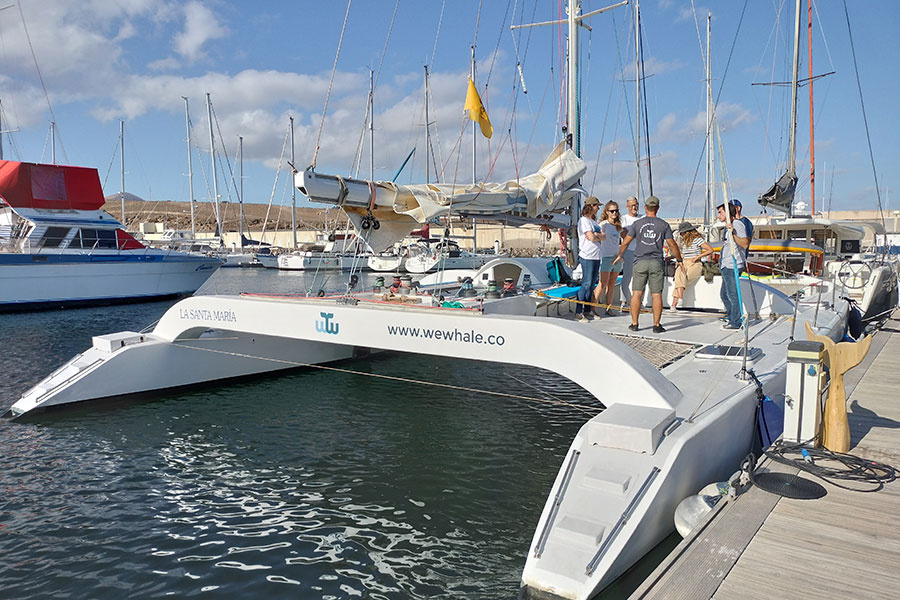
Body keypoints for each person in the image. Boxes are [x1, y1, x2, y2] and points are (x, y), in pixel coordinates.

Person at [613, 195, 683, 333]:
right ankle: (656, 325)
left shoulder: (637, 224)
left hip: (639, 261)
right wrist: (679, 259)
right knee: (656, 295)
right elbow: (672, 244)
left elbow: (625, 242)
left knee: (636, 293)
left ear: (645, 208)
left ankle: (634, 323)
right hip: (656, 262)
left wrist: (620, 255)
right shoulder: (664, 225)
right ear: (658, 208)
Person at [718, 201, 751, 330]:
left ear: (727, 212)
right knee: (724, 295)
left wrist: (733, 233)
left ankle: (736, 322)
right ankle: (732, 317)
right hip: (726, 265)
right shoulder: (728, 226)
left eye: (720, 212)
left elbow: (745, 243)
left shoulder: (737, 224)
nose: (718, 215)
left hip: (733, 265)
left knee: (732, 295)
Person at [575, 196, 605, 322]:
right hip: (587, 256)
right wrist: (598, 236)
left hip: (596, 256)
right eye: (597, 206)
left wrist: (597, 236)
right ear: (591, 206)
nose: (598, 208)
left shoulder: (594, 222)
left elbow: (603, 236)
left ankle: (587, 310)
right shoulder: (584, 221)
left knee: (592, 284)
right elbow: (591, 237)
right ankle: (578, 311)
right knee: (586, 284)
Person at [671, 222, 713, 311]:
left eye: (682, 233)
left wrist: (697, 257)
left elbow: (710, 250)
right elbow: (683, 255)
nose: (681, 235)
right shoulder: (684, 243)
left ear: (687, 232)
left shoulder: (698, 240)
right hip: (685, 262)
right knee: (679, 274)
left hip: (695, 263)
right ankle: (679, 299)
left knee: (682, 279)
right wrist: (672, 257)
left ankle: (674, 304)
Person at [593, 201, 624, 316]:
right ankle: (593, 307)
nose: (614, 213)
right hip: (606, 257)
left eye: (616, 210)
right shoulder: (603, 225)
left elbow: (623, 240)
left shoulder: (618, 226)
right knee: (602, 283)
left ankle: (608, 308)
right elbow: (595, 236)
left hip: (616, 257)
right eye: (612, 211)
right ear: (607, 212)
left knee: (612, 284)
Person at [619, 196, 642, 309]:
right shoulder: (623, 219)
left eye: (636, 204)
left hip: (641, 252)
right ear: (627, 207)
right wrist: (634, 235)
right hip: (629, 251)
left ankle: (638, 302)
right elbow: (624, 235)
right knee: (627, 278)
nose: (635, 207)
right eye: (632, 205)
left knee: (640, 278)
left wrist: (632, 234)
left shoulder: (643, 218)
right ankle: (625, 301)